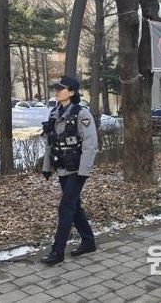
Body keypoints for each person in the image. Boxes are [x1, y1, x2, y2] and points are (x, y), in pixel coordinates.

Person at [40, 76, 98, 265]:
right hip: (62, 168)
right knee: (74, 206)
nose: (57, 92)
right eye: (56, 89)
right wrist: (47, 167)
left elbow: (90, 144)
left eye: (61, 89)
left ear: (71, 92)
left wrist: (84, 171)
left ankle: (57, 252)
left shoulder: (82, 114)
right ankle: (88, 241)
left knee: (65, 208)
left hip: (77, 170)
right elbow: (50, 143)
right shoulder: (54, 114)